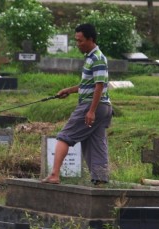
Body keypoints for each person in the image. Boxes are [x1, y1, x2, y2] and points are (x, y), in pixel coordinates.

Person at [42, 23, 113, 186]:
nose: (78, 44)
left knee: (64, 136)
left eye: (80, 41)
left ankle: (54, 175)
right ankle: (100, 180)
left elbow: (99, 86)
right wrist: (69, 90)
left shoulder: (98, 58)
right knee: (95, 141)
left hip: (93, 105)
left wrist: (91, 111)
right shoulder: (90, 57)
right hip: (102, 107)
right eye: (76, 41)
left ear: (91, 39)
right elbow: (88, 84)